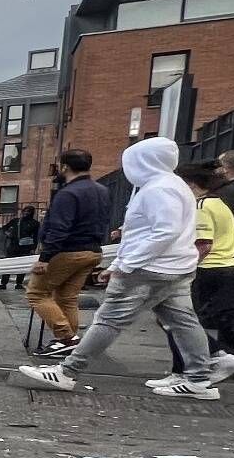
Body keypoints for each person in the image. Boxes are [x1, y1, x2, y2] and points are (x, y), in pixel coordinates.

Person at [17, 138, 218, 400]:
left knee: (108, 320)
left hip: (149, 269)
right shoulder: (174, 185)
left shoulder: (157, 189)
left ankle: (67, 371)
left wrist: (125, 265)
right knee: (183, 321)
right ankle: (199, 378)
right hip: (175, 266)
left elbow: (163, 232)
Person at [152, 162, 234, 386]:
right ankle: (194, 365)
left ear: (190, 185)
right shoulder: (219, 203)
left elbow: (204, 244)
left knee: (177, 319)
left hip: (207, 269)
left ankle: (203, 362)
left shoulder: (201, 207)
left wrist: (185, 267)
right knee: (180, 319)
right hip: (225, 266)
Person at [28, 149, 108, 356]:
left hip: (68, 251)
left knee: (37, 293)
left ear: (65, 167)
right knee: (67, 297)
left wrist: (45, 258)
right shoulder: (101, 190)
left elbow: (59, 227)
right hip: (92, 250)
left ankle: (66, 337)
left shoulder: (68, 193)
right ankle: (69, 342)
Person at [0, 206, 39, 289]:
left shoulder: (35, 223)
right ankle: (3, 283)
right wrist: (8, 234)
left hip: (26, 247)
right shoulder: (16, 221)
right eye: (25, 211)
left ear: (32, 213)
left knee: (22, 266)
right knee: (8, 266)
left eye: (28, 211)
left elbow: (36, 237)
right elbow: (4, 228)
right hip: (13, 246)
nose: (26, 213)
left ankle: (19, 283)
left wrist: (33, 248)